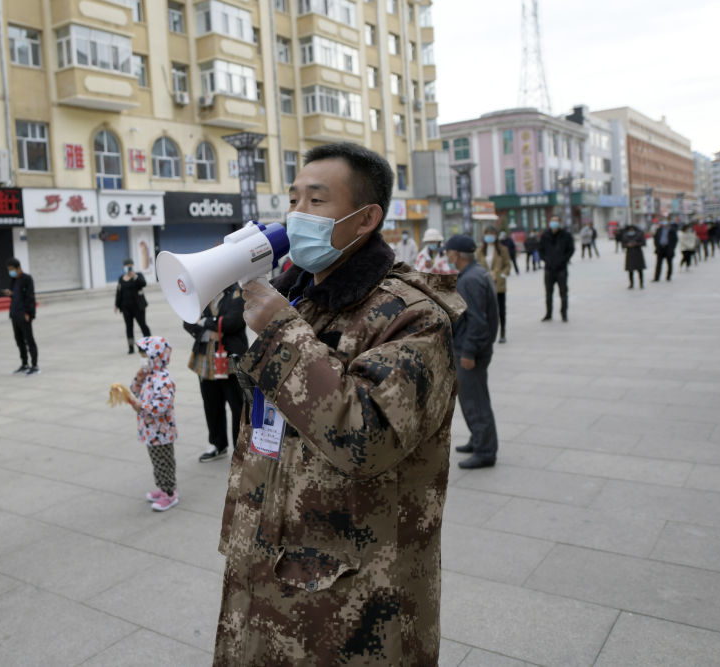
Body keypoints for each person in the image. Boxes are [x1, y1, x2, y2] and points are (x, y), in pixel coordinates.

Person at [215, 142, 464, 663]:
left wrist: (279, 330)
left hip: (356, 605)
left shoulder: (412, 318)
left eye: (317, 201)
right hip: (266, 574)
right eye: (293, 199)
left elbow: (366, 438)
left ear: (364, 219)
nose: (296, 215)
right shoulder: (298, 296)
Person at [445, 235, 499, 469]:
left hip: (471, 350)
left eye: (448, 251)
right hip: (473, 347)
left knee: (475, 400)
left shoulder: (470, 280)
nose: (446, 256)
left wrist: (468, 352)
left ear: (456, 254)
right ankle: (477, 439)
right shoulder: (476, 273)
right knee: (472, 398)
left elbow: (477, 321)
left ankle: (485, 450)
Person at [182, 283, 248, 463]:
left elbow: (233, 322)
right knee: (211, 404)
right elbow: (187, 320)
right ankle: (217, 444)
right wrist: (209, 332)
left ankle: (240, 448)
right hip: (205, 359)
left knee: (237, 406)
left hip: (229, 361)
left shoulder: (237, 293)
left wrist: (204, 321)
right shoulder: (202, 293)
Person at [117, 336, 179, 511]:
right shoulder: (149, 375)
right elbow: (135, 390)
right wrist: (140, 375)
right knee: (156, 461)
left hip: (163, 431)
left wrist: (141, 407)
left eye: (145, 355)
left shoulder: (164, 378)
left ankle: (170, 493)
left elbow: (163, 404)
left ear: (156, 356)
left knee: (164, 462)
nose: (142, 358)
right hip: (150, 430)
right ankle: (162, 488)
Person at [475, 226, 511, 343]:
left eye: (492, 234)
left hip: (499, 284)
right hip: (484, 284)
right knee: (485, 311)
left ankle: (503, 333)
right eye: (487, 234)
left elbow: (507, 265)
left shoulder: (503, 249)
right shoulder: (479, 251)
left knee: (501, 310)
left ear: (496, 236)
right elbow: (476, 266)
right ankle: (488, 333)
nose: (489, 236)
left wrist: (501, 275)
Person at [3, 258, 38, 375]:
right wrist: (11, 294)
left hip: (24, 315)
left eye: (12, 269)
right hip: (14, 314)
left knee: (29, 340)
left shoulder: (27, 279)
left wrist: (30, 314)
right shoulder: (13, 280)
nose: (10, 272)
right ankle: (24, 364)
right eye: (9, 270)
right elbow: (16, 296)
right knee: (19, 341)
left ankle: (35, 366)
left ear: (18, 268)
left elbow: (30, 297)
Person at [539, 217, 574, 322]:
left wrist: (564, 260)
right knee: (548, 293)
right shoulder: (545, 235)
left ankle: (564, 313)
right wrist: (546, 259)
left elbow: (571, 249)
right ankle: (548, 313)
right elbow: (540, 250)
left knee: (563, 293)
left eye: (556, 221)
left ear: (559, 223)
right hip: (549, 269)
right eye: (552, 221)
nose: (553, 223)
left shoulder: (566, 235)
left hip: (561, 269)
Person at [114, 258, 151, 354]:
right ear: (124, 267)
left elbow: (143, 284)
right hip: (126, 308)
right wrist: (116, 305)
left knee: (143, 325)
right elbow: (119, 292)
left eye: (130, 266)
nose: (128, 268)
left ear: (133, 266)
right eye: (126, 266)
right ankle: (131, 347)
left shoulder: (138, 275)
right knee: (129, 327)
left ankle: (148, 344)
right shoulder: (121, 278)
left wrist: (134, 276)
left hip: (138, 307)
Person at [621, 223, 647, 289]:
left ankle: (641, 284)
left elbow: (643, 243)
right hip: (630, 254)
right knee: (630, 270)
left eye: (632, 229)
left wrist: (636, 244)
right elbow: (623, 244)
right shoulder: (625, 235)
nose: (631, 231)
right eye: (630, 230)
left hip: (638, 254)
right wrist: (627, 245)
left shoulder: (639, 234)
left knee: (640, 270)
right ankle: (631, 284)